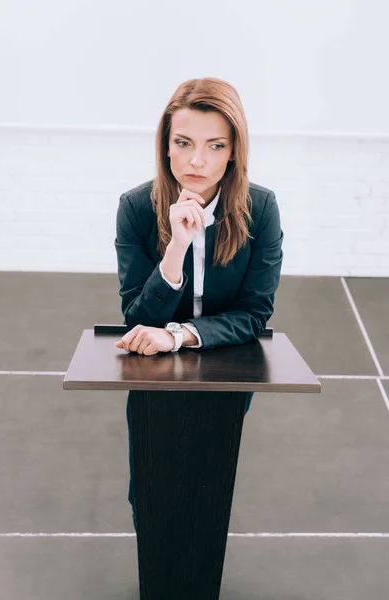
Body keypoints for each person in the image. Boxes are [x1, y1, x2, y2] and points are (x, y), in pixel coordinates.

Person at [113, 77, 284, 532]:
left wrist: (178, 335)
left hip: (227, 363)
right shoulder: (135, 208)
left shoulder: (261, 208)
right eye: (183, 142)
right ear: (166, 146)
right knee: (150, 487)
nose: (196, 160)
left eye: (214, 145)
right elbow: (136, 317)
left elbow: (254, 313)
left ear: (233, 152)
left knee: (208, 479)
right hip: (153, 369)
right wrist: (176, 249)